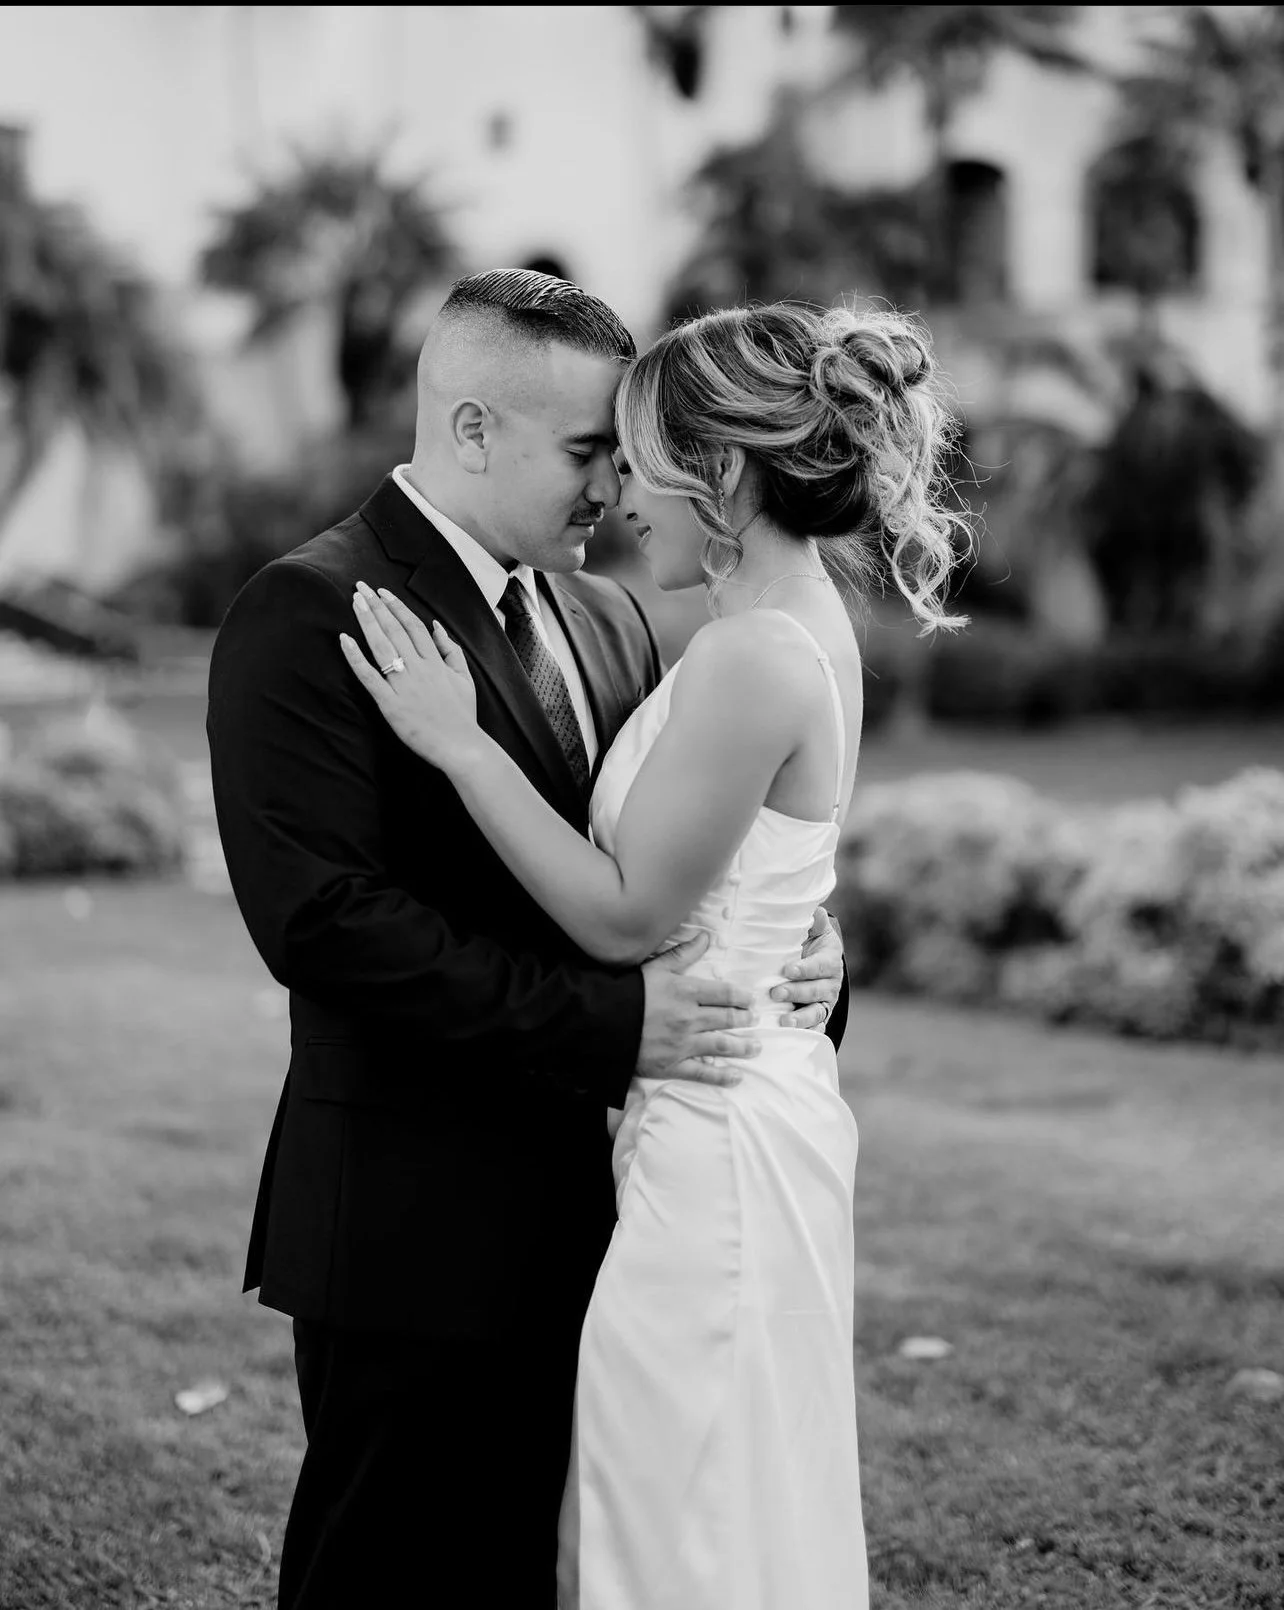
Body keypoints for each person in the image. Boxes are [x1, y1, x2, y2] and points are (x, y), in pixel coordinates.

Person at [205, 270, 849, 1609]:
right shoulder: (311, 607)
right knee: (387, 1577)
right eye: (586, 450)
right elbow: (325, 923)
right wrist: (614, 1027)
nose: (615, 487)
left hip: (619, 1206)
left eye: (626, 455)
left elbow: (677, 859)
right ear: (474, 427)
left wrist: (802, 952)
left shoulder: (607, 613)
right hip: (416, 1217)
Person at [341, 297, 968, 1610]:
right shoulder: (774, 629)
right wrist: (804, 933)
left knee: (680, 1508)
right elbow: (755, 863)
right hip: (713, 1106)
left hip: (717, 1135)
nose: (618, 495)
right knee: (703, 1489)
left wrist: (459, 743)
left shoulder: (752, 654)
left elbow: (628, 916)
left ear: (720, 472)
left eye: (634, 460)